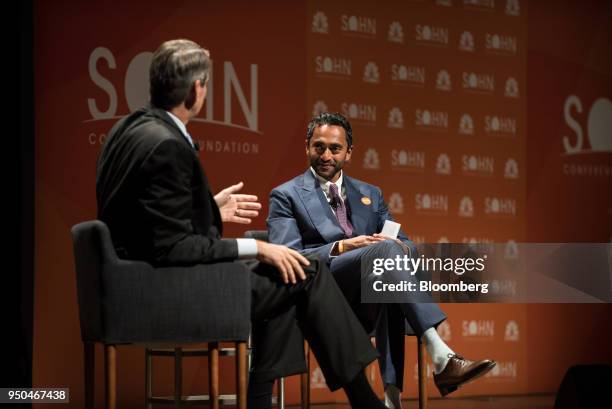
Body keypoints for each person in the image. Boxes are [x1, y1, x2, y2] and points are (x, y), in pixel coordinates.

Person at [96, 39, 391, 409]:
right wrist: (258, 246)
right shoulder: (169, 144)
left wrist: (208, 211)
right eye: (205, 85)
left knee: (287, 272)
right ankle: (364, 401)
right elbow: (174, 248)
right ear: (194, 90)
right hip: (165, 288)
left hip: (133, 277)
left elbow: (147, 221)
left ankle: (262, 399)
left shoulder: (127, 130)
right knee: (305, 268)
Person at [267, 112, 496, 408]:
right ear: (307, 147)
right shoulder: (286, 195)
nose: (326, 155)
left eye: (335, 148)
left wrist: (398, 248)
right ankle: (440, 356)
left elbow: (408, 245)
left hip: (369, 296)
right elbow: (289, 257)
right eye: (318, 146)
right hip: (320, 293)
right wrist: (341, 247)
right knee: (385, 262)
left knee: (389, 271)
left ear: (349, 152)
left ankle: (392, 398)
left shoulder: (370, 194)